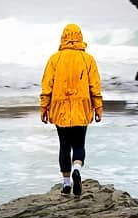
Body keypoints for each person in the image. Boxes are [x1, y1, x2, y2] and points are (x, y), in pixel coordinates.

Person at [39, 22, 103, 196]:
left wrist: (44, 107)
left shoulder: (55, 58)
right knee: (79, 143)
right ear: (80, 37)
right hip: (82, 107)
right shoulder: (88, 59)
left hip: (60, 107)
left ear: (63, 37)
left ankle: (66, 183)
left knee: (64, 146)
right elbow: (94, 86)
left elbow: (47, 85)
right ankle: (77, 169)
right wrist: (98, 107)